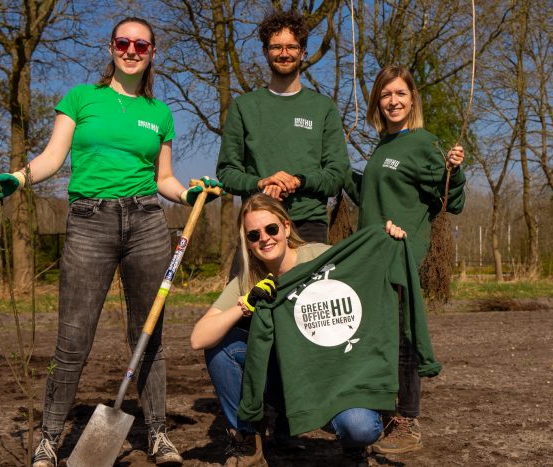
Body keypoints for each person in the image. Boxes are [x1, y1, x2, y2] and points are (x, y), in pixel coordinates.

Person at [0, 17, 220, 467]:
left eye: (141, 45)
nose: (132, 50)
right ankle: (50, 438)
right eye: (123, 42)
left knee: (147, 334)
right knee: (73, 338)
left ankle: (157, 435)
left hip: (147, 221)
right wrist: (17, 178)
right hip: (90, 220)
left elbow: (165, 180)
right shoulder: (81, 98)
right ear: (111, 47)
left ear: (153, 52)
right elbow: (53, 158)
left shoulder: (160, 113)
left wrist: (191, 194)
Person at [190, 194, 405, 467]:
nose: (264, 239)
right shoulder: (250, 279)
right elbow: (198, 338)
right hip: (292, 381)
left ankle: (355, 447)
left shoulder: (320, 257)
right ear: (248, 242)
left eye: (271, 229)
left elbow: (372, 283)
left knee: (360, 428)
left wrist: (388, 242)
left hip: (337, 378)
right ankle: (247, 441)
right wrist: (245, 305)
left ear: (286, 227)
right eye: (253, 235)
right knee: (223, 347)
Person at [344, 65, 466, 456]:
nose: (393, 101)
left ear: (412, 98)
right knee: (377, 339)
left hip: (399, 256)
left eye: (400, 93)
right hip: (371, 258)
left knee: (401, 339)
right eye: (385, 95)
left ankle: (407, 423)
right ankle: (380, 419)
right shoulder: (384, 145)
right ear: (377, 102)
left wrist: (455, 171)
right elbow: (371, 197)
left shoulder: (424, 142)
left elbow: (452, 201)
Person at [216, 9, 349, 244]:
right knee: (243, 283)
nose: (284, 53)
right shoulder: (243, 107)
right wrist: (260, 183)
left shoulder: (323, 108)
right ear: (266, 52)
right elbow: (227, 172)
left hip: (309, 226)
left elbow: (337, 174)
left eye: (292, 47)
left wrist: (298, 181)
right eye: (276, 47)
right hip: (258, 224)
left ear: (303, 51)